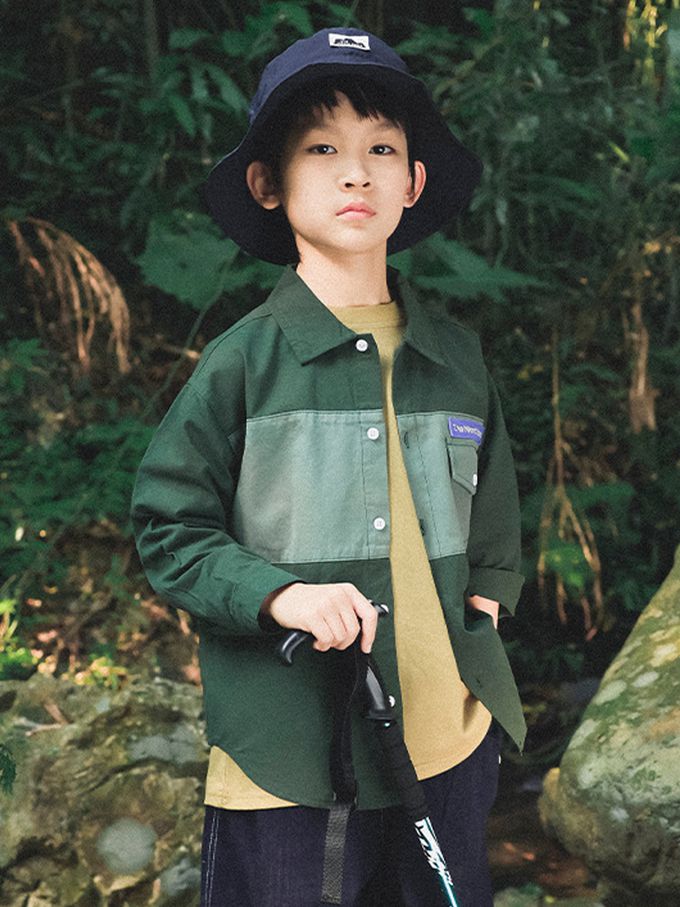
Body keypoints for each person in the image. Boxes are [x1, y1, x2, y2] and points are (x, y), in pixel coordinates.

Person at [131, 26, 525, 907]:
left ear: (413, 181)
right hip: (288, 751)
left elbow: (494, 507)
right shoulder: (242, 364)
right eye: (322, 149)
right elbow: (169, 528)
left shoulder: (457, 358)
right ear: (267, 184)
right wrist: (279, 595)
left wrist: (488, 599)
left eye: (382, 149)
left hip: (450, 739)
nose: (357, 174)